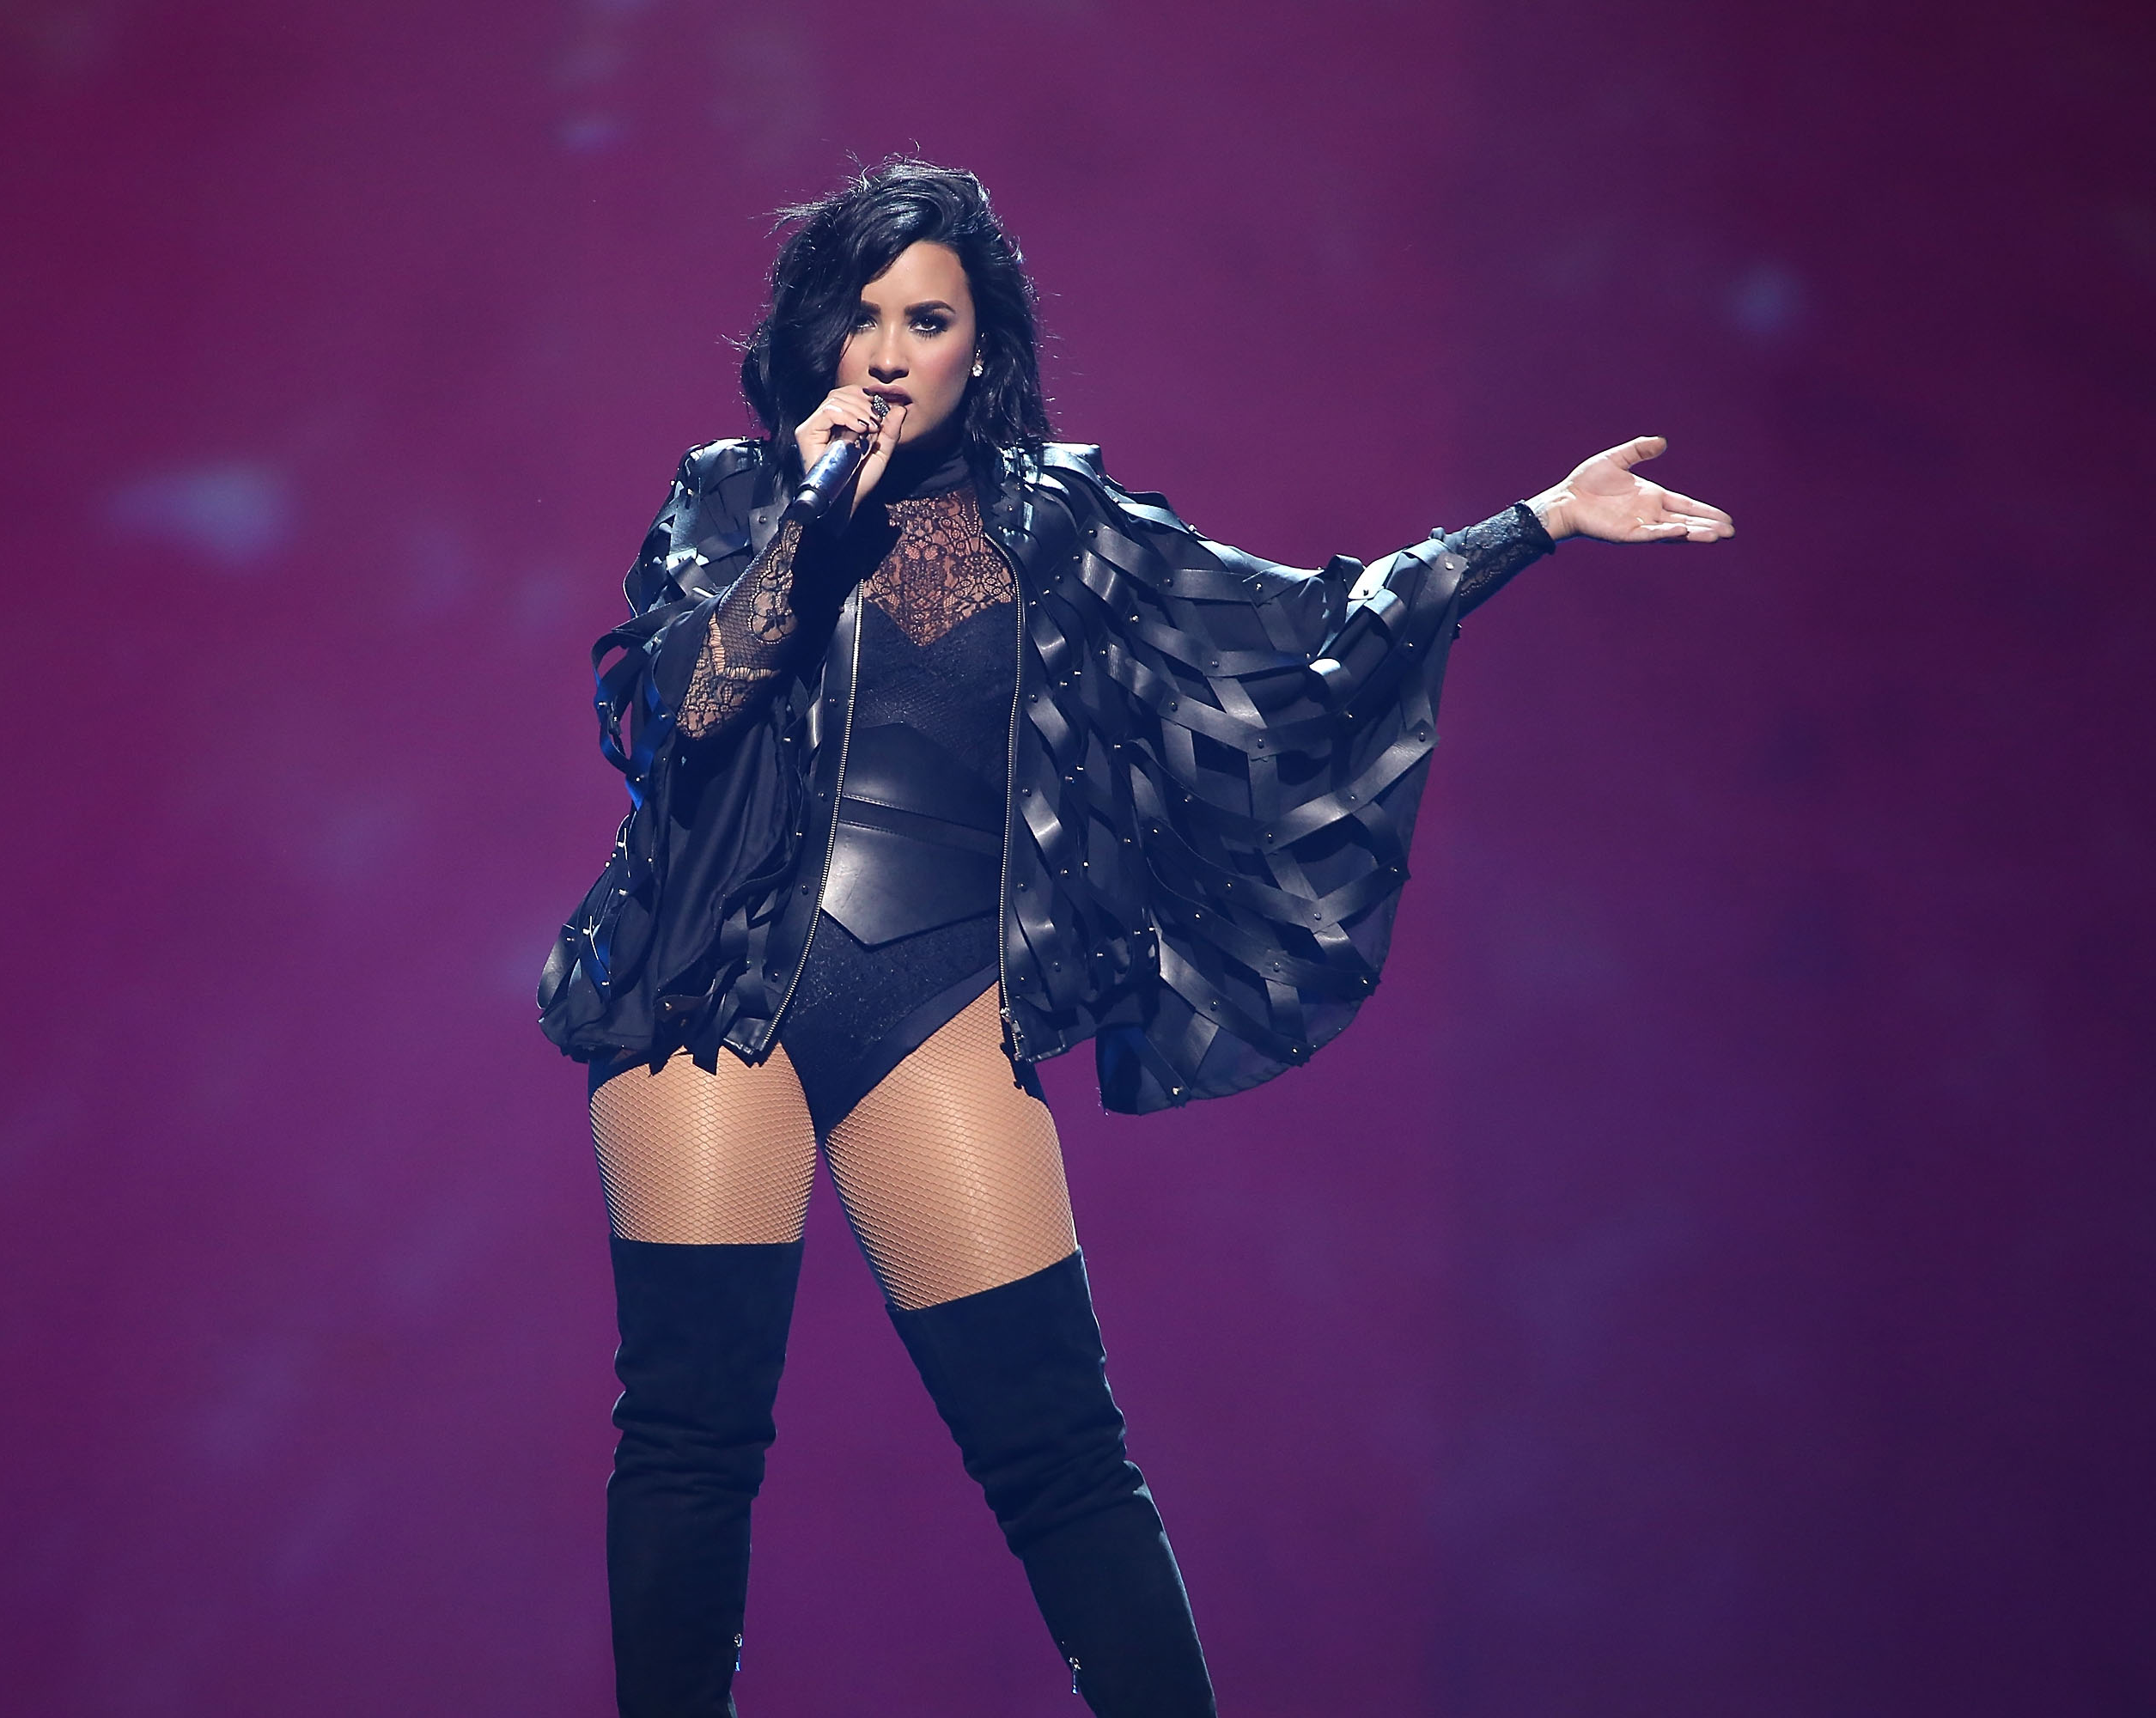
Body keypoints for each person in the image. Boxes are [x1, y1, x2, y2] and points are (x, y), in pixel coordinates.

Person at [539, 159, 1732, 1718]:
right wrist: (806, 524)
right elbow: (683, 707)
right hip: (710, 995)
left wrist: (1536, 525)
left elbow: (1304, 636)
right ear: (815, 333)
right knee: (689, 1443)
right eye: (862, 317)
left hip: (932, 1003)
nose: (888, 354)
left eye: (927, 320)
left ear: (983, 343)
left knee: (1060, 1458)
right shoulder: (733, 494)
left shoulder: (1065, 525)